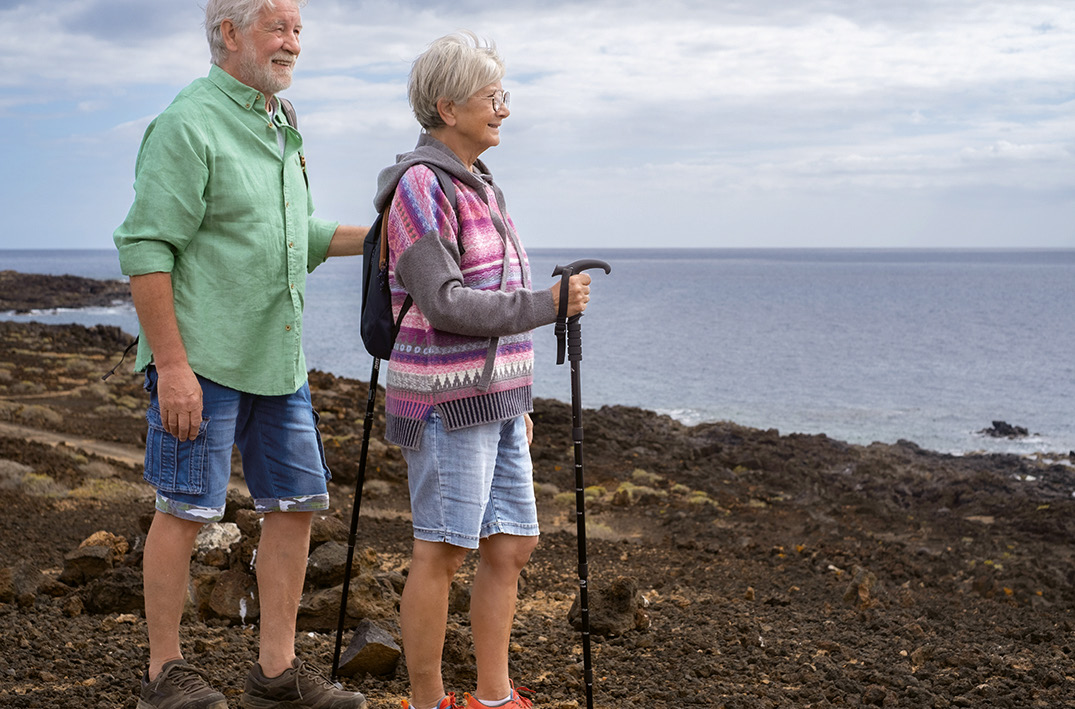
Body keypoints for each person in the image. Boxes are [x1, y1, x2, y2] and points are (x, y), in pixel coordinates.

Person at [113, 1, 369, 707]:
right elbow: (146, 247)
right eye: (277, 28)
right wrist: (170, 366)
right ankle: (164, 674)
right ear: (229, 34)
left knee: (295, 505)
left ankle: (276, 674)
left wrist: (383, 236)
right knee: (185, 507)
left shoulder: (279, 121)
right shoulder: (187, 123)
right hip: (201, 361)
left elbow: (293, 234)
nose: (291, 43)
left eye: (297, 31)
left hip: (276, 362)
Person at [373, 32, 593, 709]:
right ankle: (427, 699)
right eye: (491, 97)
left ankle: (493, 697)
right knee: (442, 550)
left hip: (494, 399)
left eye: (504, 95)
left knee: (513, 543)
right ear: (447, 105)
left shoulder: (482, 185)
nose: (503, 109)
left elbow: (486, 295)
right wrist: (546, 306)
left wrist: (518, 400)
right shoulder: (418, 185)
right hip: (444, 396)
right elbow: (443, 301)